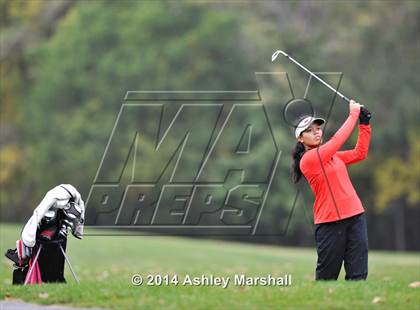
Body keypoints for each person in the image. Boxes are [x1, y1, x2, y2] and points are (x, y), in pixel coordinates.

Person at [291, 100, 371, 281]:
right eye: (309, 131)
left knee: (358, 277)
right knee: (326, 279)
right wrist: (353, 115)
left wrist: (364, 124)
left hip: (356, 217)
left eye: (317, 129)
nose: (316, 132)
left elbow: (360, 153)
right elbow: (337, 140)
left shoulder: (333, 156)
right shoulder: (308, 160)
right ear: (300, 138)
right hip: (330, 224)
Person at [5, 184, 85, 284]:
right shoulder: (58, 199)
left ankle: (50, 279)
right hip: (51, 239)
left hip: (53, 239)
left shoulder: (61, 198)